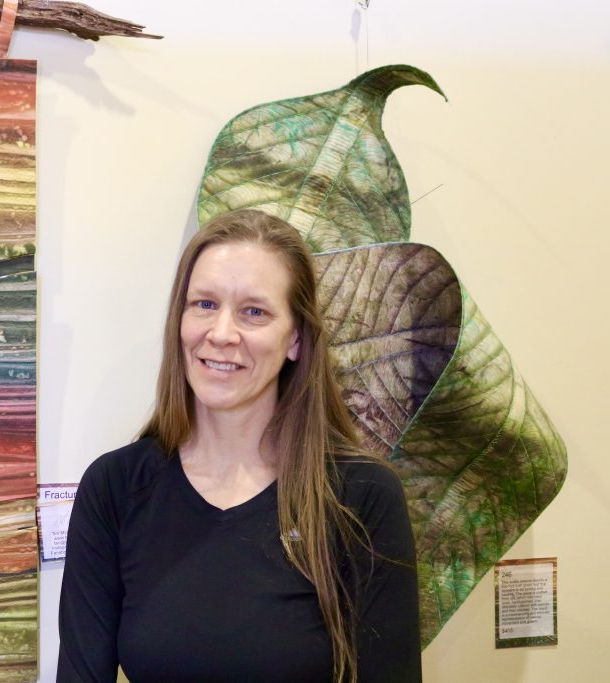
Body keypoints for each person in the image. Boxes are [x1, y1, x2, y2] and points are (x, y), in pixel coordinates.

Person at [56, 210, 421, 683]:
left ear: (294, 338)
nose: (222, 333)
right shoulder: (115, 488)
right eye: (204, 304)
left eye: (254, 311)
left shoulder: (361, 496)